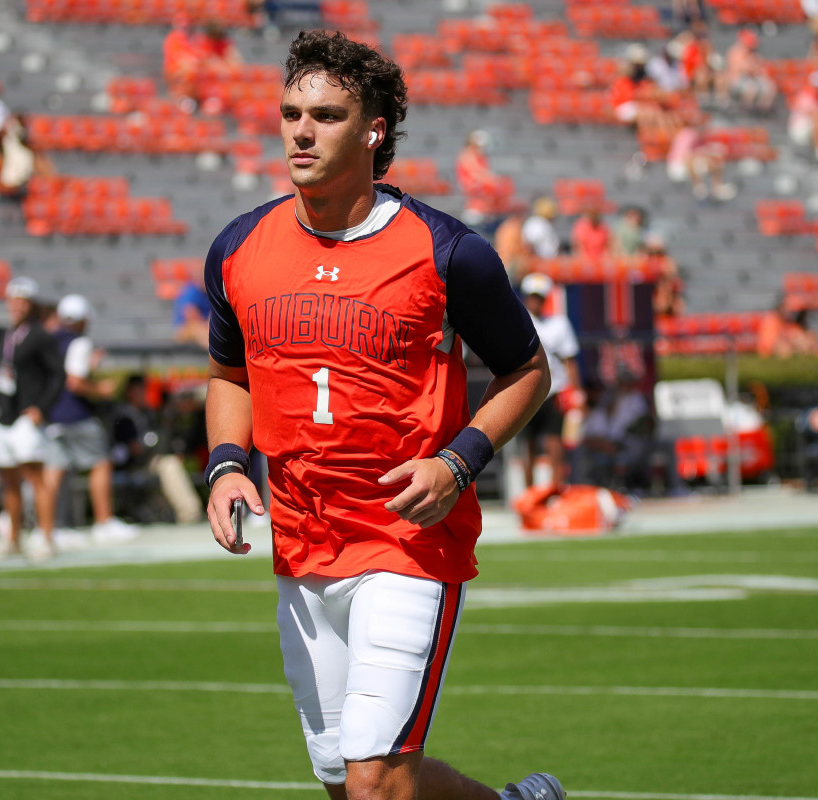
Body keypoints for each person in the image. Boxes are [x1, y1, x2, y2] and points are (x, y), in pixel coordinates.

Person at [202, 30, 560, 800]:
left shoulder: (448, 251)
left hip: (406, 539)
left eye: (326, 114)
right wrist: (226, 465)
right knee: (347, 780)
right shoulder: (238, 246)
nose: (301, 130)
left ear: (373, 131)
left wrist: (459, 460)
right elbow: (228, 373)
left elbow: (528, 371)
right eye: (291, 112)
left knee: (374, 782)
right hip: (300, 542)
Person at [41, 293, 138, 547]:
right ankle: (104, 522)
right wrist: (101, 389)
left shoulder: (49, 339)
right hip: (76, 414)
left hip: (51, 414)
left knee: (54, 470)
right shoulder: (79, 342)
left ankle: (51, 527)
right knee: (101, 463)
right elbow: (75, 381)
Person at [0, 276, 64, 557]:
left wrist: (41, 407)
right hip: (5, 416)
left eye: (22, 301)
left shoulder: (40, 335)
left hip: (26, 417)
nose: (17, 306)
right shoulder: (5, 334)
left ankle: (45, 537)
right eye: (13, 300)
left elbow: (58, 375)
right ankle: (13, 538)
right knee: (10, 481)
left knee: (35, 477)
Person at [110, 373, 204, 525]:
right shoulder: (124, 415)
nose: (142, 393)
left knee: (170, 462)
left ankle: (182, 513)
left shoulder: (148, 413)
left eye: (143, 389)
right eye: (138, 389)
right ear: (129, 391)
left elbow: (159, 437)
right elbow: (134, 448)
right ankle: (189, 513)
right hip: (133, 465)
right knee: (169, 465)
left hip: (151, 461)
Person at [518, 272, 582, 489]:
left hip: (554, 391)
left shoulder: (559, 324)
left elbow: (569, 360)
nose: (535, 301)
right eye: (532, 296)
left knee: (555, 444)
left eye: (539, 296)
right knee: (528, 446)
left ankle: (557, 492)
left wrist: (576, 391)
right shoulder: (518, 322)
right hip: (525, 391)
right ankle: (530, 496)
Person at [721, 29, 777, 114]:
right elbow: (740, 69)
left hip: (753, 78)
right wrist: (750, 66)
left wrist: (756, 68)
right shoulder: (735, 52)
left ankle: (764, 111)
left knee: (770, 86)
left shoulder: (754, 53)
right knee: (751, 89)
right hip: (737, 79)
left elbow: (760, 69)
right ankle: (747, 111)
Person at [172, 259, 211, 350]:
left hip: (205, 327)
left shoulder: (209, 292)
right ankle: (214, 352)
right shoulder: (191, 290)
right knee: (197, 328)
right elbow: (190, 315)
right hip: (184, 328)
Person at [520, 196, 561, 260]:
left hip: (546, 260)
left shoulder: (534, 221)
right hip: (540, 260)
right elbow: (530, 245)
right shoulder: (538, 223)